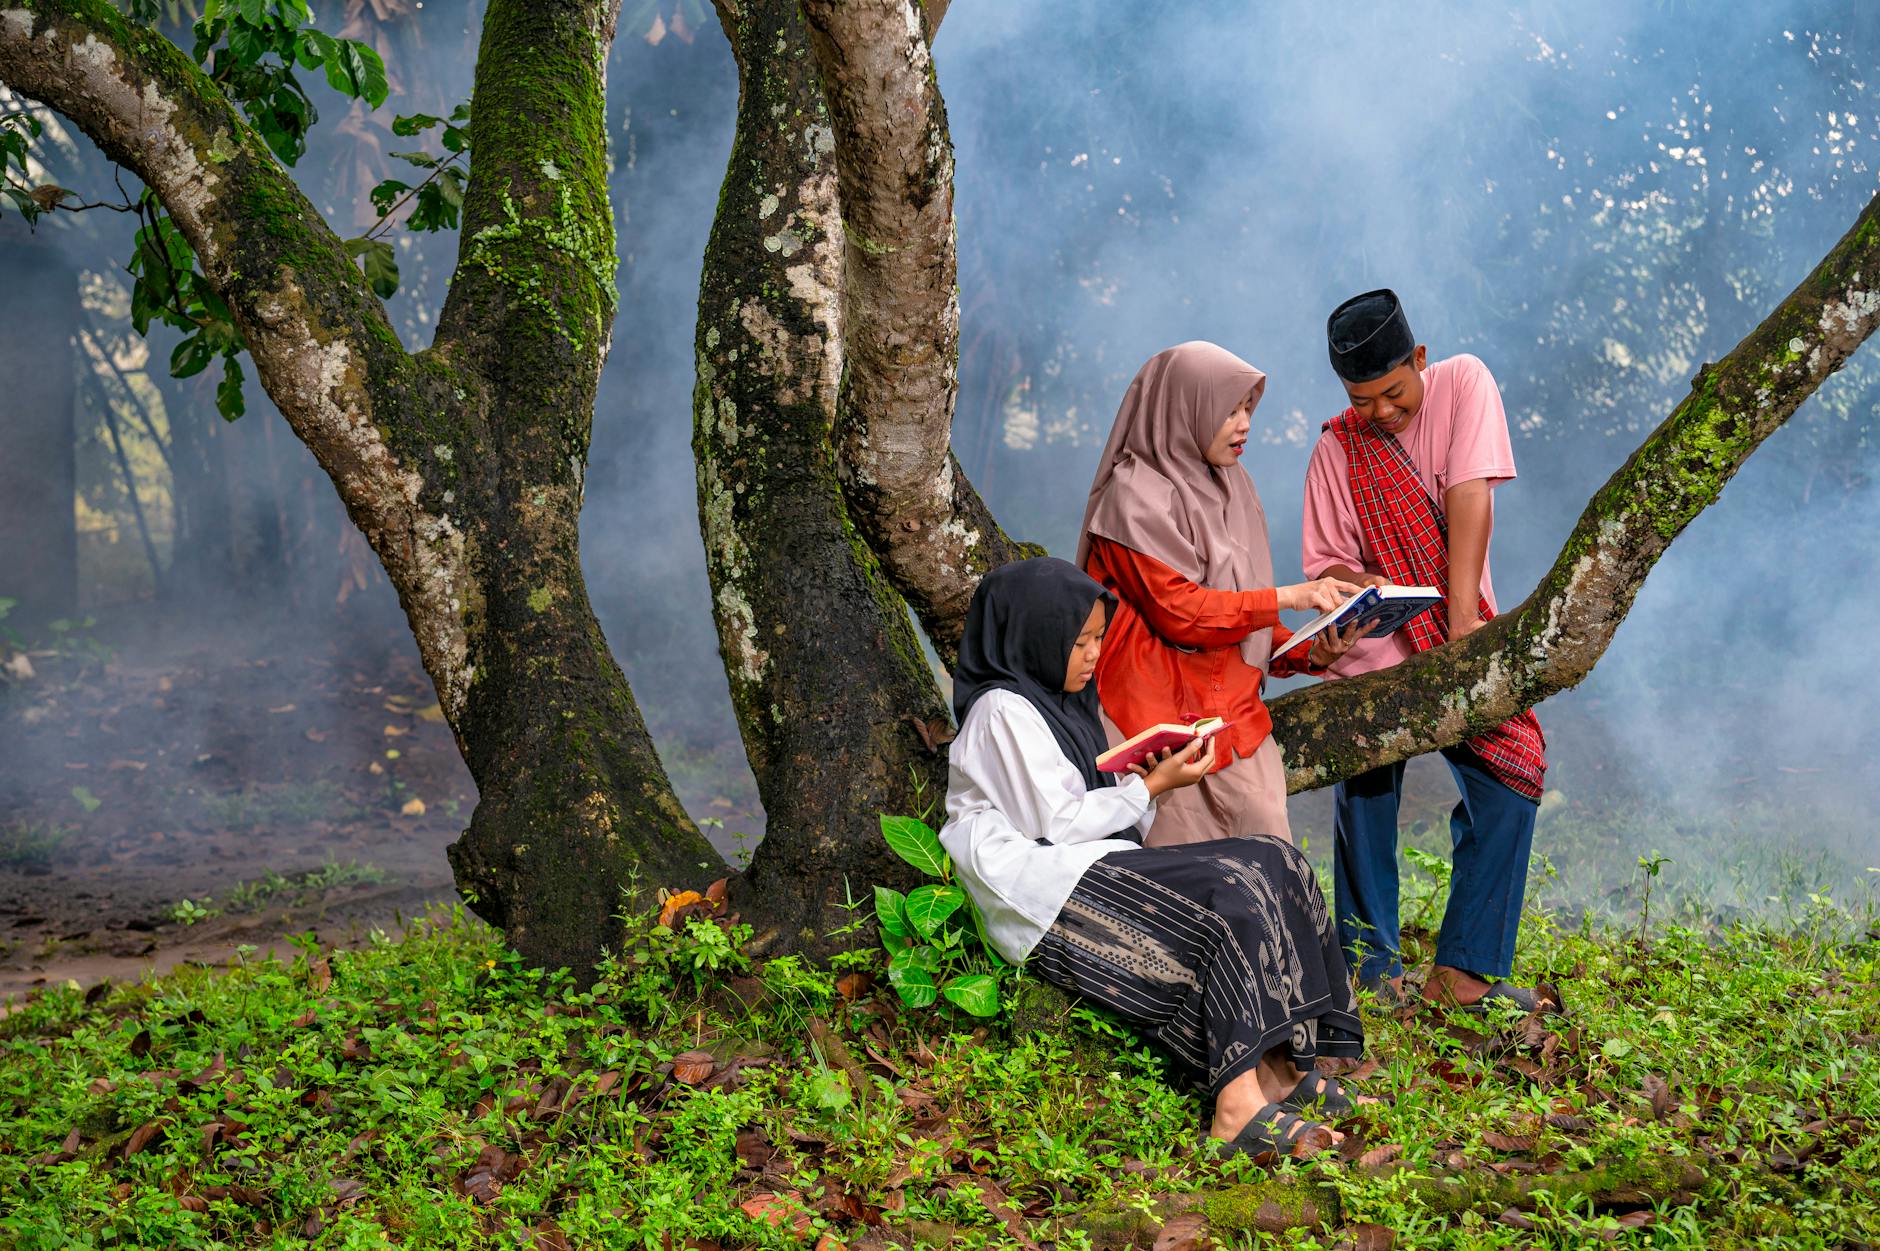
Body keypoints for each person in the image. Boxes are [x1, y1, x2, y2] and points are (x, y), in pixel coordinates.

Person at [939, 557, 1370, 1158]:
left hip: (1088, 864)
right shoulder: (1000, 711)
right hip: (1040, 888)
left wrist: (1142, 784)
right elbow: (1055, 826)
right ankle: (1236, 1104)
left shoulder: (1063, 703)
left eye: (1097, 638)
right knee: (1231, 898)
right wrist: (1151, 788)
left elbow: (1104, 816)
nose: (1094, 654)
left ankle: (1283, 1068)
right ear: (1032, 637)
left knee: (1277, 861)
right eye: (1080, 641)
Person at [1301, 288, 1551, 1013]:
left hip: (1457, 635)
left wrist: (1465, 624)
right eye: (1362, 399)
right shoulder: (1336, 446)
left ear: (1419, 359)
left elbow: (1470, 493)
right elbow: (1326, 568)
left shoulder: (1465, 382)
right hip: (1377, 656)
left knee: (1512, 774)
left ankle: (1464, 971)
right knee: (1366, 801)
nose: (1379, 412)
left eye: (1392, 391)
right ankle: (1366, 970)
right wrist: (1358, 582)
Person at [1075, 341, 1368, 847]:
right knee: (1177, 887)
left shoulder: (1236, 487)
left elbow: (1248, 613)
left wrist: (1311, 650)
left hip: (1232, 717)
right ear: (1183, 409)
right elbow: (1182, 614)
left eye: (1247, 408)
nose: (1244, 423)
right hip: (1151, 723)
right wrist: (1290, 597)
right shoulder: (1132, 496)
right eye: (1228, 410)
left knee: (1269, 864)